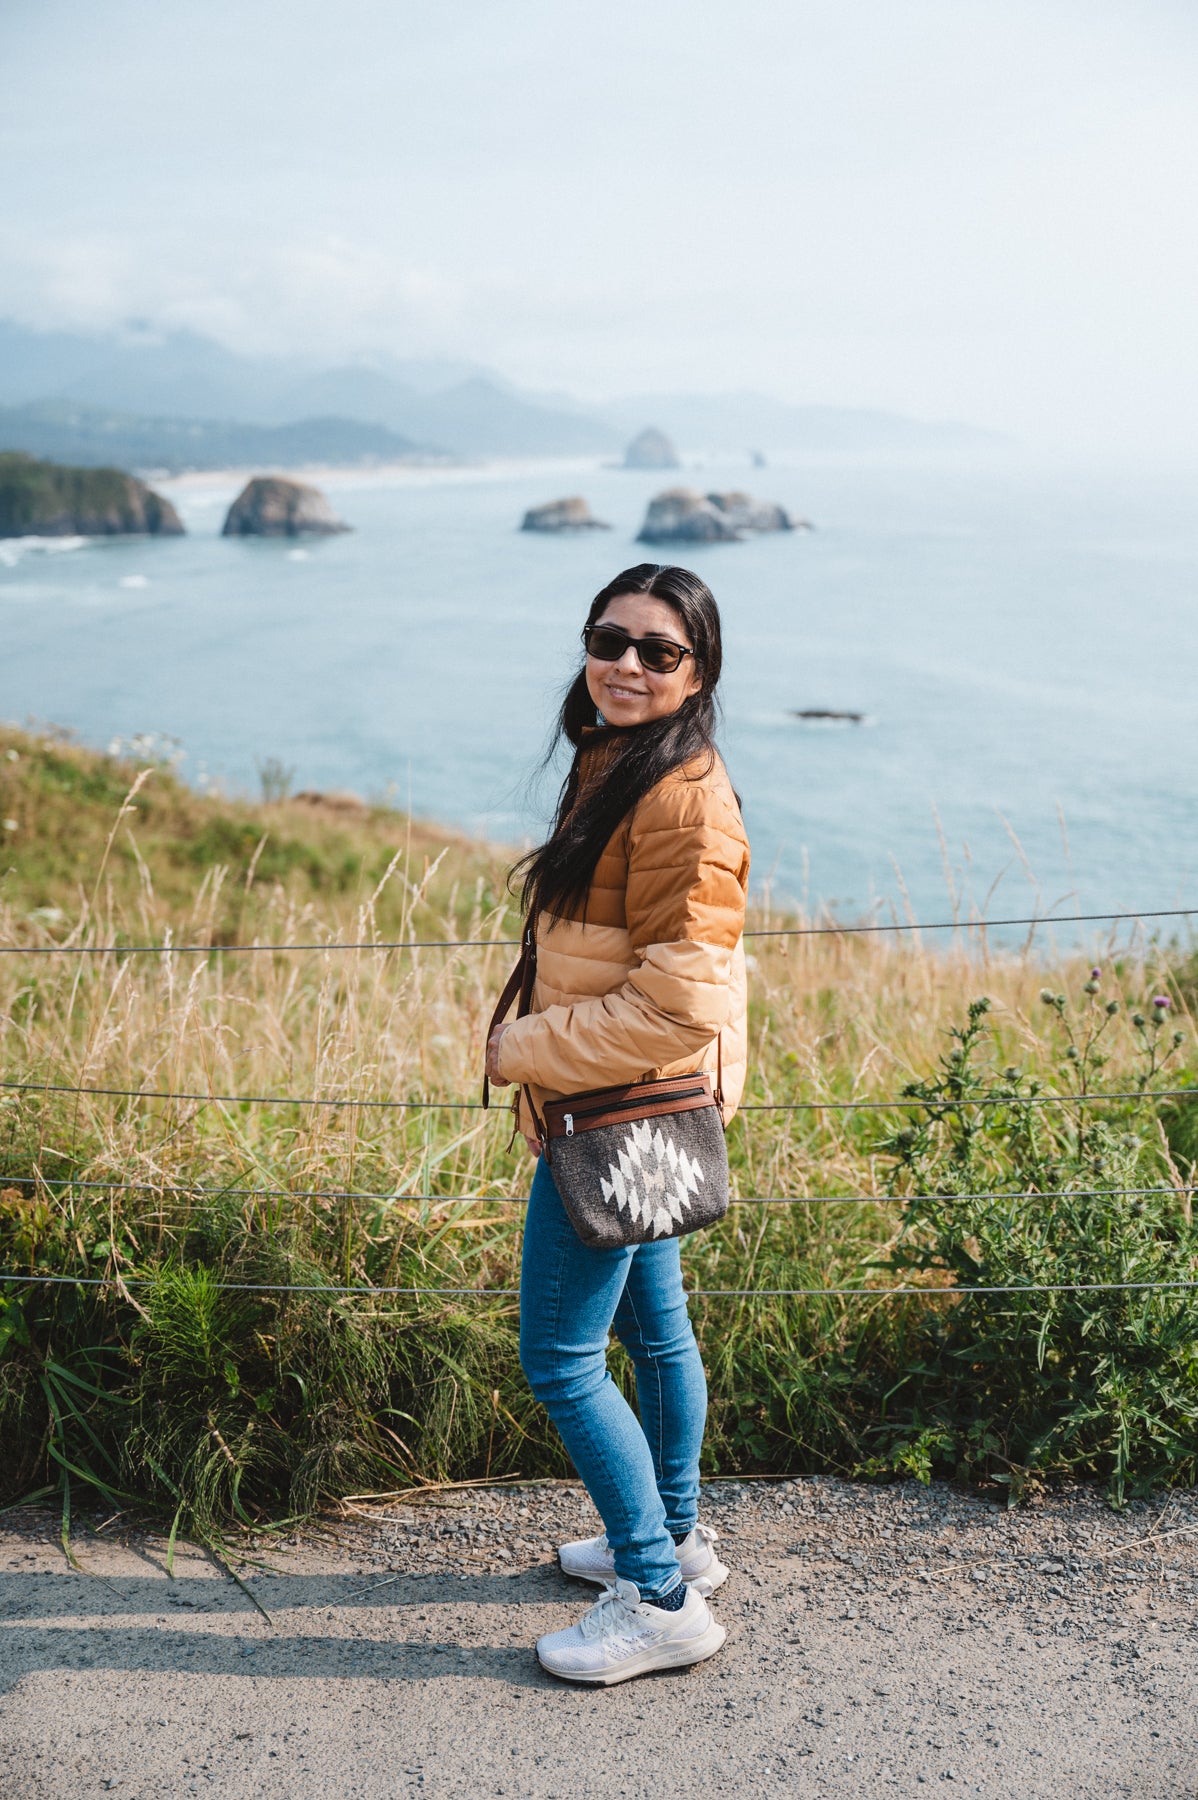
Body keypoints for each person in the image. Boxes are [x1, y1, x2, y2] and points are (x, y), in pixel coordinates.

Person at [485, 563, 750, 1686]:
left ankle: (655, 1594)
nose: (626, 665)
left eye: (659, 650)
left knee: (557, 1355)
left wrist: (524, 1057)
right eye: (610, 639)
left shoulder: (682, 795)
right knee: (655, 1323)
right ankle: (674, 1533)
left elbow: (676, 999)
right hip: (633, 1099)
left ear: (699, 673)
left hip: (616, 1105)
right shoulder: (617, 761)